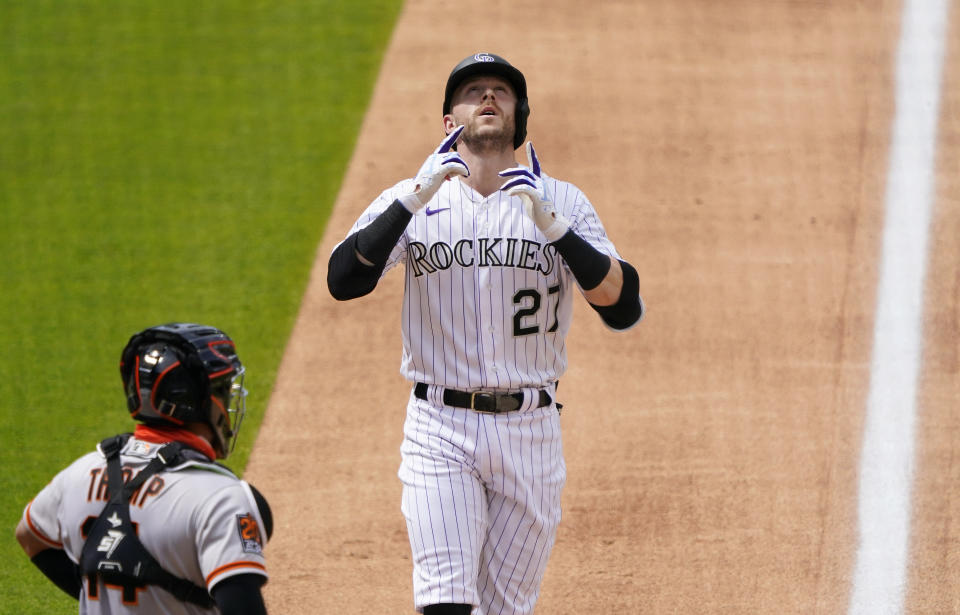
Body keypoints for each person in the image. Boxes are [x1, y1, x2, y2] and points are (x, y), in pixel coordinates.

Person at [327, 52, 643, 615]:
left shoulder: (563, 200)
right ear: (450, 123)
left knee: (504, 609)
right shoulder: (414, 198)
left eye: (501, 90)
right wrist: (409, 200)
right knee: (446, 597)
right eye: (473, 91)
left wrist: (558, 230)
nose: (489, 97)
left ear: (521, 116)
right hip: (439, 426)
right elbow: (343, 280)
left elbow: (622, 305)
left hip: (532, 428)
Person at [16, 322, 272, 614]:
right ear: (201, 401)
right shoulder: (220, 497)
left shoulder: (78, 474)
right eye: (223, 390)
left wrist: (101, 590)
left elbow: (29, 536)